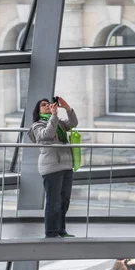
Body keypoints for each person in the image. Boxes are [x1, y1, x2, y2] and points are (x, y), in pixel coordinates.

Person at [28, 97, 78, 239]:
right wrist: (54, 116)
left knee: (64, 201)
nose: (47, 106)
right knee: (53, 201)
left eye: (48, 104)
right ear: (38, 111)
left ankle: (61, 230)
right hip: (51, 167)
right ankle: (51, 232)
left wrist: (67, 107)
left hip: (66, 165)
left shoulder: (58, 123)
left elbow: (73, 123)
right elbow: (47, 135)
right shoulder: (37, 125)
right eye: (43, 105)